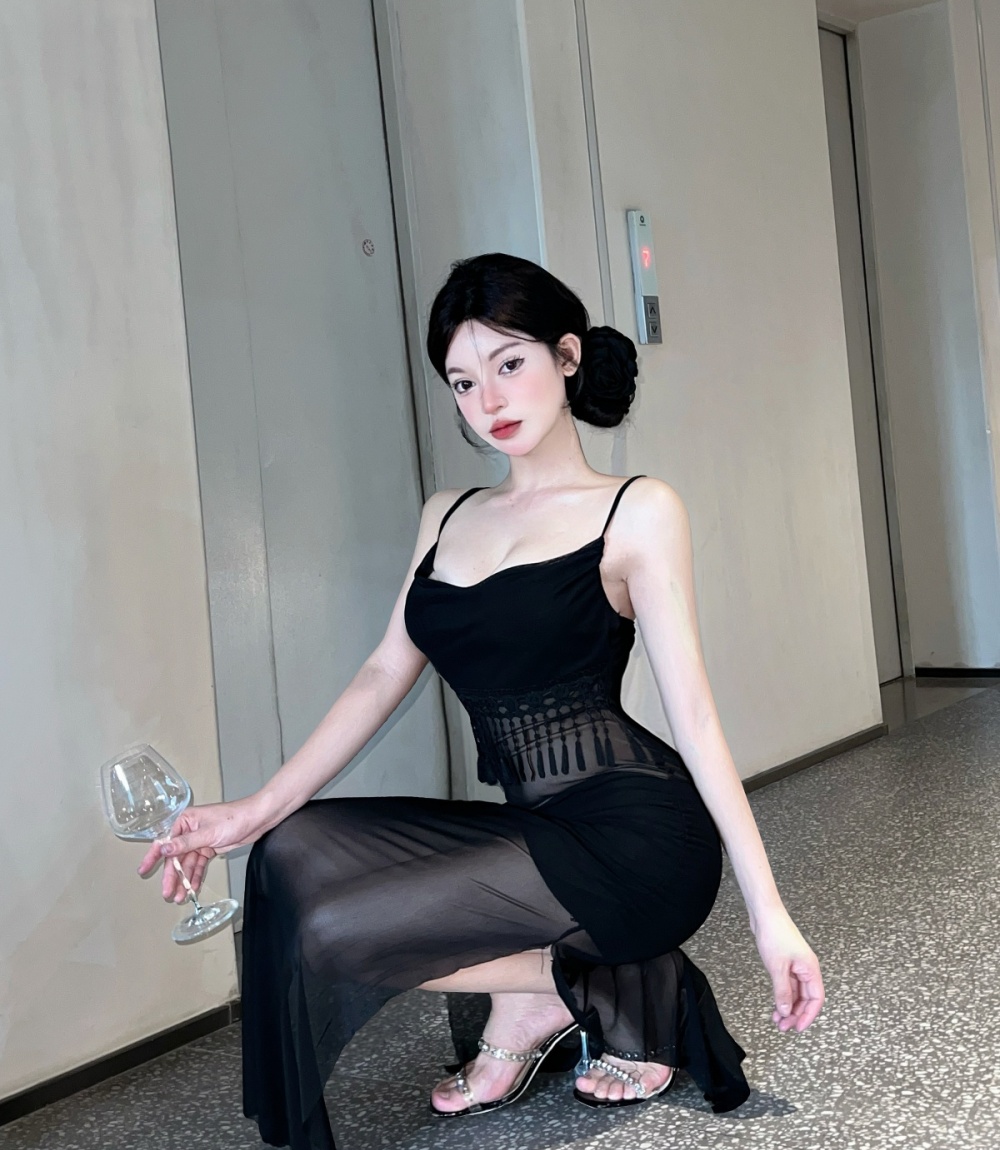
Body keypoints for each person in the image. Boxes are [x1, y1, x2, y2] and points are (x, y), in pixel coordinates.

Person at [138, 252, 824, 1150]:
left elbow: (694, 718)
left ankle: (597, 979)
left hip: (639, 842)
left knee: (336, 935)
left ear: (566, 357)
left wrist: (770, 913)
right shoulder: (447, 515)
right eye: (463, 381)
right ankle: (561, 987)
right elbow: (384, 672)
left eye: (509, 363)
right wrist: (251, 810)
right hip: (535, 829)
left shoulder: (636, 510)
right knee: (286, 853)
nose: (488, 400)